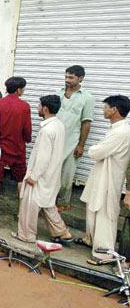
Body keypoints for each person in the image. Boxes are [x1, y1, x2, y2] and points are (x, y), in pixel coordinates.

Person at [13, 94, 72, 243]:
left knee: (29, 206)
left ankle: (26, 235)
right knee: (47, 204)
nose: (37, 108)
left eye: (39, 106)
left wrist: (34, 176)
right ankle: (62, 232)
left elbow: (43, 157)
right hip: (51, 174)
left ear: (45, 109)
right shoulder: (59, 125)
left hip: (41, 175)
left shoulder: (47, 130)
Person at [81, 95, 130, 265]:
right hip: (102, 176)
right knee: (95, 209)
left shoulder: (121, 132)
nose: (103, 110)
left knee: (105, 214)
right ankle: (93, 241)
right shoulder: (116, 129)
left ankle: (104, 254)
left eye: (105, 107)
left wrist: (94, 149)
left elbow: (95, 152)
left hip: (110, 179)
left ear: (114, 109)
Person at [0, 77, 32, 217]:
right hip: (18, 147)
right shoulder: (25, 106)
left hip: (0, 146)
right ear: (19, 89)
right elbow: (27, 129)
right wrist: (27, 139)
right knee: (20, 178)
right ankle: (21, 212)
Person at [56, 65, 95, 211]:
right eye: (66, 77)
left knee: (67, 173)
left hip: (72, 142)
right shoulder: (58, 93)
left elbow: (86, 122)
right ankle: (48, 200)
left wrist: (81, 145)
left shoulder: (87, 98)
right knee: (51, 171)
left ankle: (62, 202)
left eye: (71, 77)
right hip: (55, 140)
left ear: (81, 78)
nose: (67, 80)